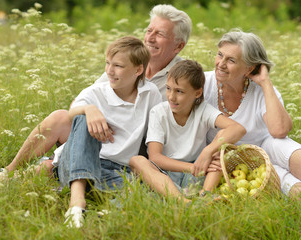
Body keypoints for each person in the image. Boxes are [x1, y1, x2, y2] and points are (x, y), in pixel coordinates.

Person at [0, 4, 192, 174]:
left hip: (133, 150)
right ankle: (8, 170)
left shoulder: (182, 77)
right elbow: (81, 101)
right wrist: (92, 112)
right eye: (149, 30)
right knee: (60, 117)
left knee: (52, 165)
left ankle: (53, 167)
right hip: (102, 134)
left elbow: (174, 129)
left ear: (178, 46)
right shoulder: (124, 62)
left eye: (160, 34)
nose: (150, 38)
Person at [53, 36, 162, 228]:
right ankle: (76, 203)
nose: (109, 71)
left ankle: (105, 208)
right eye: (107, 63)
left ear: (138, 70)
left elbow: (156, 132)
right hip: (81, 161)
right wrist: (89, 110)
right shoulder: (95, 92)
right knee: (82, 117)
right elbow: (71, 114)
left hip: (117, 170)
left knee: (144, 192)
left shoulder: (150, 93)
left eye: (118, 66)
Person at [203, 29, 301, 199]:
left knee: (279, 144)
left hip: (264, 149)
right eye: (220, 55)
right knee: (291, 187)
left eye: (231, 60)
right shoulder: (203, 83)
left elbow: (279, 131)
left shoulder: (262, 90)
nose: (221, 63)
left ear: (250, 68)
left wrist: (265, 81)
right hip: (230, 161)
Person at [129, 60, 246, 201]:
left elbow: (238, 129)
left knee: (221, 147)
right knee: (137, 160)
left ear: (197, 93)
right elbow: (155, 157)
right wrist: (191, 167)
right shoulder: (159, 112)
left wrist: (208, 151)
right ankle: (183, 201)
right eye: (168, 88)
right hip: (165, 175)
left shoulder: (202, 110)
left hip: (196, 176)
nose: (171, 96)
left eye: (179, 91)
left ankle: (205, 195)